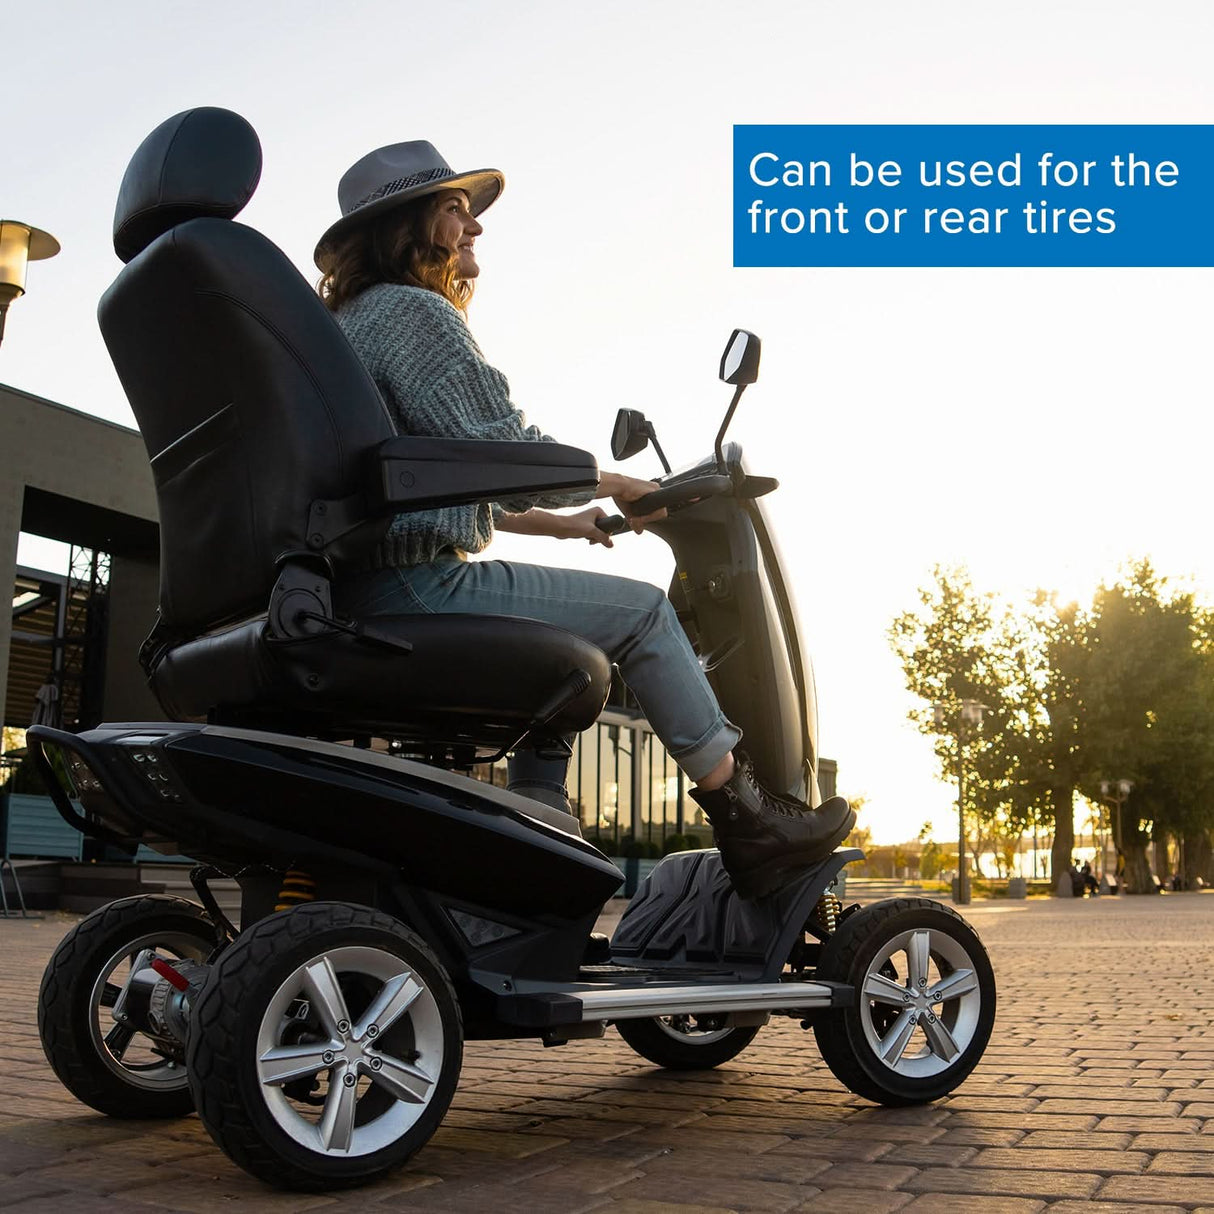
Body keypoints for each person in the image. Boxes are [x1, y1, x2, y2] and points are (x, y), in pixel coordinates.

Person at [313, 140, 854, 900]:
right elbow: (500, 446)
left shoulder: (356, 320)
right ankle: (748, 816)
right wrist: (616, 480)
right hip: (410, 589)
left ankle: (538, 820)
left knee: (568, 651)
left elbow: (450, 481)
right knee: (641, 614)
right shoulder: (413, 315)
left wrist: (573, 523)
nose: (475, 229)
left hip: (367, 587)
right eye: (456, 210)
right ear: (412, 226)